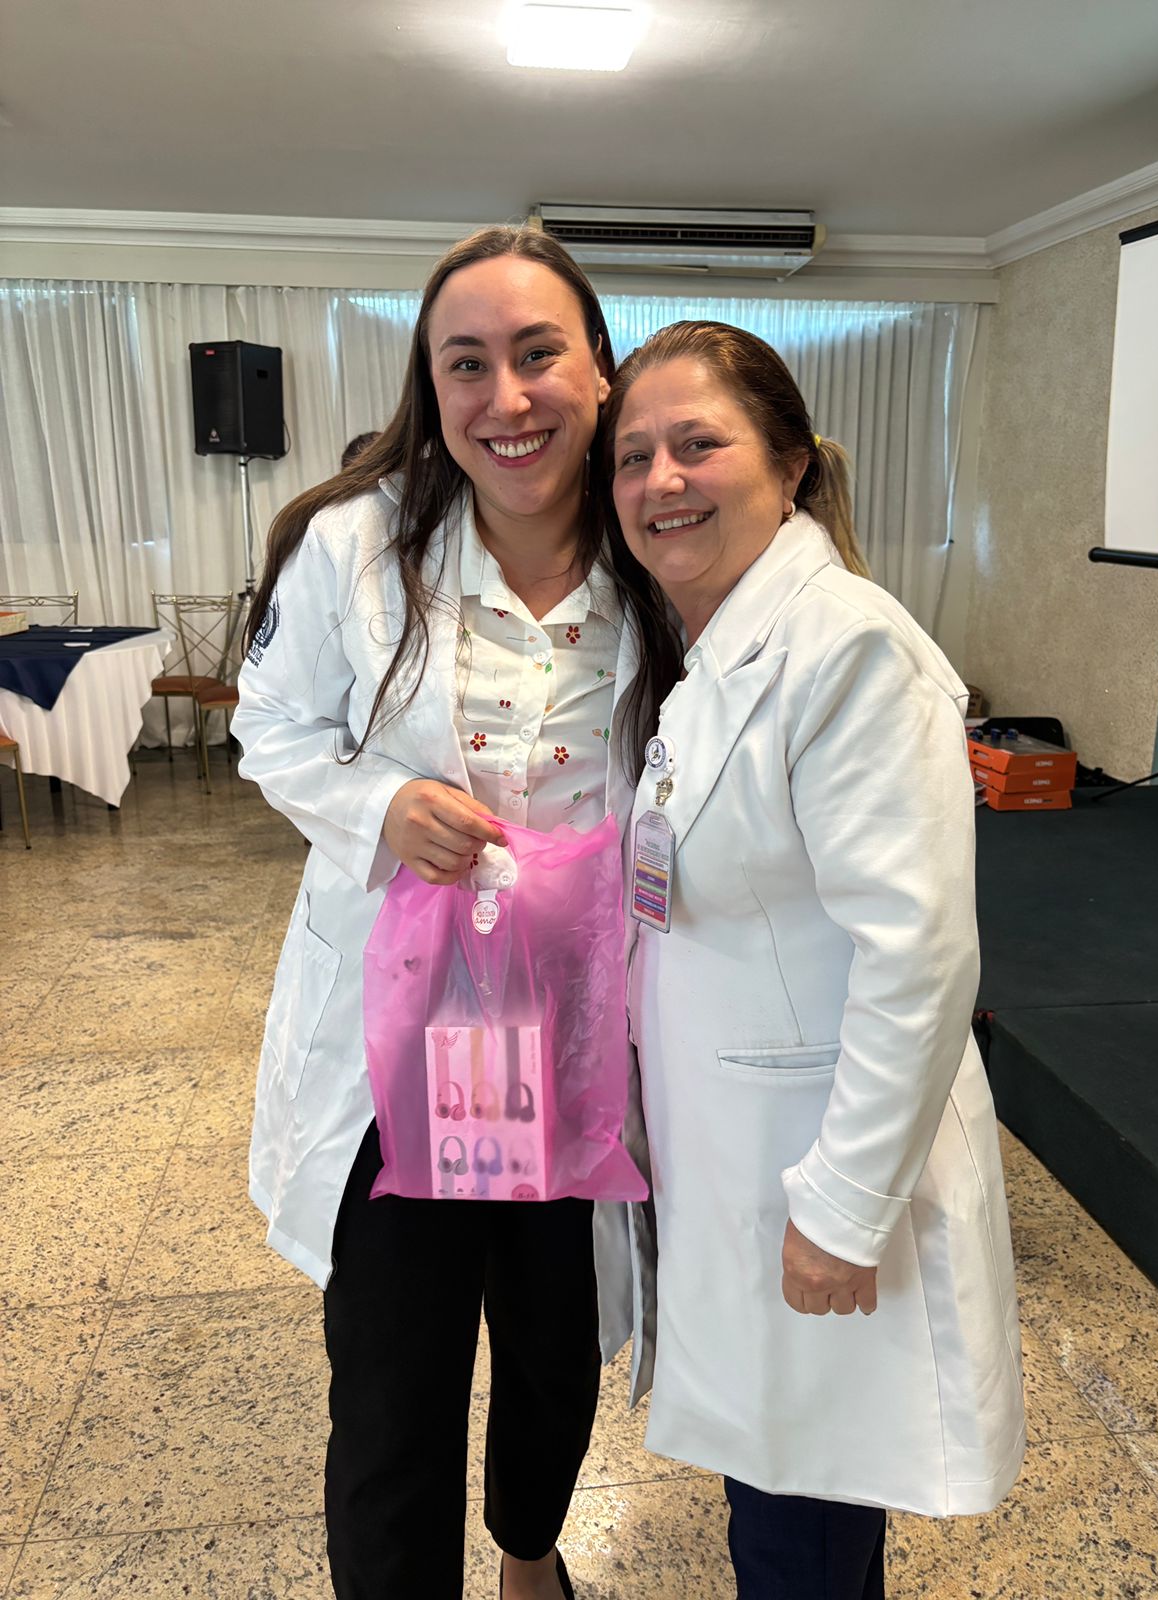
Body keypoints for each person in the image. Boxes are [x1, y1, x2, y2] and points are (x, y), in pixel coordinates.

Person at [231, 227, 659, 1600]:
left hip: (568, 1031)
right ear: (431, 386)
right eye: (465, 364)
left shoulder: (657, 547)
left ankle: (531, 1551)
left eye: (539, 354)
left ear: (601, 368)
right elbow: (270, 727)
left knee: (551, 1338)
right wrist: (378, 806)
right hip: (407, 1034)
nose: (506, 397)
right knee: (396, 1368)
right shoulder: (355, 545)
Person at [603, 321, 1026, 1600]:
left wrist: (843, 1207)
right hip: (738, 1148)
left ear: (789, 465)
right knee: (779, 1484)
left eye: (698, 443)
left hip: (817, 1167)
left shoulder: (846, 647)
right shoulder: (718, 648)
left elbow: (919, 956)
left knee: (804, 1518)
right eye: (632, 456)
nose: (662, 480)